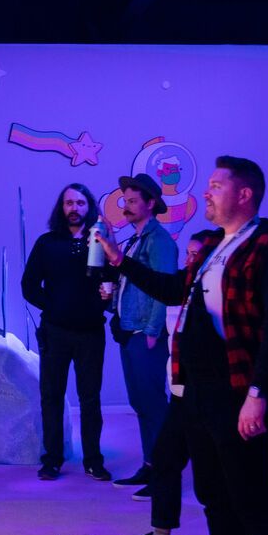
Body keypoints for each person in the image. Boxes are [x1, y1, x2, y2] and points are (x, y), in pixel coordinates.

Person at [99, 157, 268, 535]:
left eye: (215, 186)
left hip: (239, 392)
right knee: (215, 494)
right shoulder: (212, 246)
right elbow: (175, 289)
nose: (206, 193)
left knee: (254, 498)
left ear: (244, 195)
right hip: (199, 392)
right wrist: (121, 261)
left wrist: (257, 395)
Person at [135, 228, 218, 535]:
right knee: (165, 458)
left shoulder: (213, 294)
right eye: (188, 253)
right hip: (180, 394)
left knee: (209, 475)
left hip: (205, 398)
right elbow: (158, 285)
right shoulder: (184, 287)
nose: (189, 259)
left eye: (197, 254)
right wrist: (118, 260)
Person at [24, 184, 112, 481]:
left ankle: (93, 461)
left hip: (91, 332)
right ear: (61, 208)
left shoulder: (101, 242)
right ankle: (52, 459)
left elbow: (113, 280)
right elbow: (28, 285)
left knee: (90, 398)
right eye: (69, 203)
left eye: (80, 203)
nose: (74, 208)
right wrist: (53, 306)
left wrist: (104, 298)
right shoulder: (47, 243)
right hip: (55, 332)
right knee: (51, 396)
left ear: (89, 207)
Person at [109, 174, 177, 490]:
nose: (127, 206)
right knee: (140, 402)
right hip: (130, 331)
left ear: (151, 203)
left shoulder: (159, 241)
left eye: (134, 201)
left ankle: (163, 472)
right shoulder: (135, 240)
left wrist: (152, 329)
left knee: (153, 403)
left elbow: (165, 288)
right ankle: (151, 465)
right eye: (126, 201)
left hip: (145, 334)